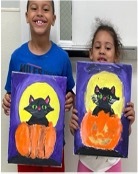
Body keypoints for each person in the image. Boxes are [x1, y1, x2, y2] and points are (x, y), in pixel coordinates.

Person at [2, 0, 75, 172]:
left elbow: (69, 94)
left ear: (53, 18)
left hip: (53, 144)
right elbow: (11, 97)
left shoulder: (62, 58)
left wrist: (70, 99)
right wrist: (6, 101)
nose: (40, 13)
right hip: (25, 145)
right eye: (34, 8)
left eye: (46, 9)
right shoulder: (17, 57)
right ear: (27, 16)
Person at [69, 19, 135, 172]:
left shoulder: (122, 88)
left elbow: (123, 132)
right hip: (86, 161)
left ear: (116, 54)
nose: (102, 51)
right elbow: (78, 128)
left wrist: (128, 123)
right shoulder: (81, 86)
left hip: (112, 162)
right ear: (91, 53)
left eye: (108, 47)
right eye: (97, 47)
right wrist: (73, 126)